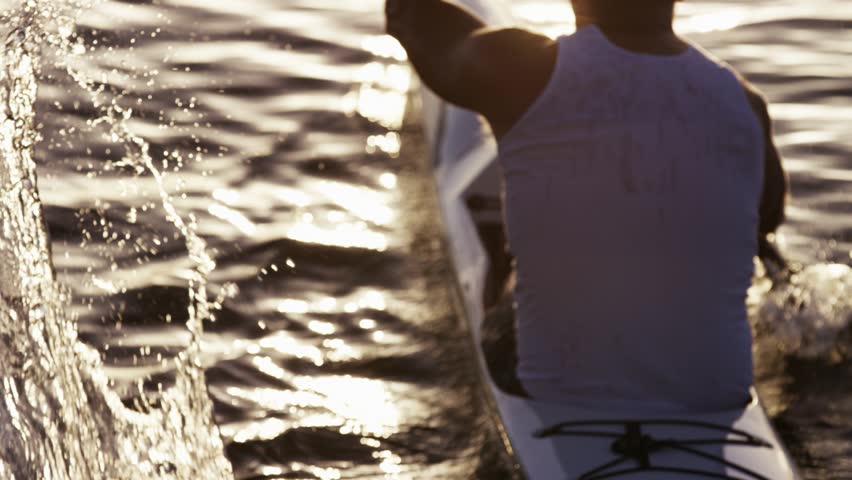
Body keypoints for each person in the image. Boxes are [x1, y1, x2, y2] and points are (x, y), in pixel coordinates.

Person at [386, 0, 788, 412]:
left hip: (559, 389)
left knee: (511, 270)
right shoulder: (746, 104)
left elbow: (408, 17)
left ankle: (500, 291)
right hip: (715, 394)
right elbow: (765, 218)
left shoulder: (518, 66)